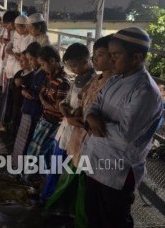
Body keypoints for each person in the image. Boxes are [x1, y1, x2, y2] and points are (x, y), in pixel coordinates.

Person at [82, 27, 163, 227]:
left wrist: (97, 122)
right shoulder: (116, 79)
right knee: (93, 215)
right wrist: (92, 117)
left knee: (114, 220)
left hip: (117, 171)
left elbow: (125, 137)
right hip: (96, 161)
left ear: (136, 57)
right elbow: (94, 105)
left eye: (115, 55)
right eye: (109, 55)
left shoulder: (145, 92)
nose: (110, 61)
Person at [44, 35, 113, 227]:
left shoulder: (104, 81)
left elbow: (95, 113)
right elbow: (76, 100)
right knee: (63, 171)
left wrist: (82, 118)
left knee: (76, 180)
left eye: (100, 56)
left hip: (87, 140)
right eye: (96, 55)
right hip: (73, 133)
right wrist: (64, 108)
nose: (95, 60)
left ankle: (65, 210)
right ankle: (56, 204)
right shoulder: (91, 80)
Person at [40, 43, 96, 202]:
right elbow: (64, 102)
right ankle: (47, 196)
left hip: (77, 134)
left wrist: (69, 114)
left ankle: (53, 200)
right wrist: (66, 112)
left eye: (74, 67)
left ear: (85, 62)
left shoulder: (93, 82)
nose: (72, 70)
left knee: (66, 171)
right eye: (70, 67)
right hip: (66, 128)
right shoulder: (77, 79)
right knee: (56, 166)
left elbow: (84, 113)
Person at [26, 45, 70, 170]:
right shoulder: (50, 77)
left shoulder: (63, 82)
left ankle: (37, 178)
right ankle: (36, 177)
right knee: (38, 149)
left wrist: (43, 101)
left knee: (41, 151)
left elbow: (59, 108)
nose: (43, 68)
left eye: (43, 65)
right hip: (46, 117)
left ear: (52, 61)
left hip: (53, 121)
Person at [12, 42, 46, 167]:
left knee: (27, 140)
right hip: (27, 109)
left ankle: (22, 168)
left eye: (31, 59)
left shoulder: (43, 74)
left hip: (33, 111)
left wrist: (28, 93)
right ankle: (18, 165)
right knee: (22, 139)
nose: (29, 62)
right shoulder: (37, 72)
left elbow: (41, 95)